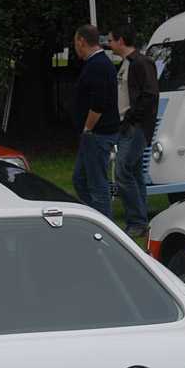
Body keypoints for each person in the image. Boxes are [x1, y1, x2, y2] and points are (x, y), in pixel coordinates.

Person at [109, 24, 159, 236]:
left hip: (135, 127)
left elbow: (150, 95)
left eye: (111, 39)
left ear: (121, 40)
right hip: (127, 126)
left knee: (122, 172)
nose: (109, 44)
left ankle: (136, 221)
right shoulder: (126, 64)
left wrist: (131, 118)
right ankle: (141, 220)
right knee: (135, 173)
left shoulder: (141, 62)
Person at [72, 24, 119, 218]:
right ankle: (94, 215)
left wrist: (87, 128)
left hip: (97, 134)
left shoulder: (98, 65)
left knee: (97, 182)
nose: (75, 47)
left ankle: (103, 222)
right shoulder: (96, 64)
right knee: (80, 179)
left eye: (75, 43)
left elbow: (99, 103)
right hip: (93, 134)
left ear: (81, 41)